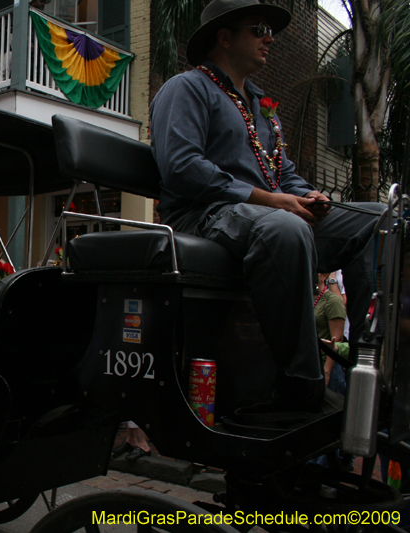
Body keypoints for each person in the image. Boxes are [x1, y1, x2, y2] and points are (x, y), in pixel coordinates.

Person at [149, 0, 385, 412]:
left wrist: (310, 196)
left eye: (268, 30)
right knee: (285, 228)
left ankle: (370, 362)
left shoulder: (259, 106)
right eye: (258, 28)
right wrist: (270, 199)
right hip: (203, 214)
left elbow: (281, 174)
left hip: (259, 215)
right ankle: (301, 385)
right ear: (224, 38)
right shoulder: (187, 87)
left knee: (377, 220)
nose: (269, 37)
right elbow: (182, 166)